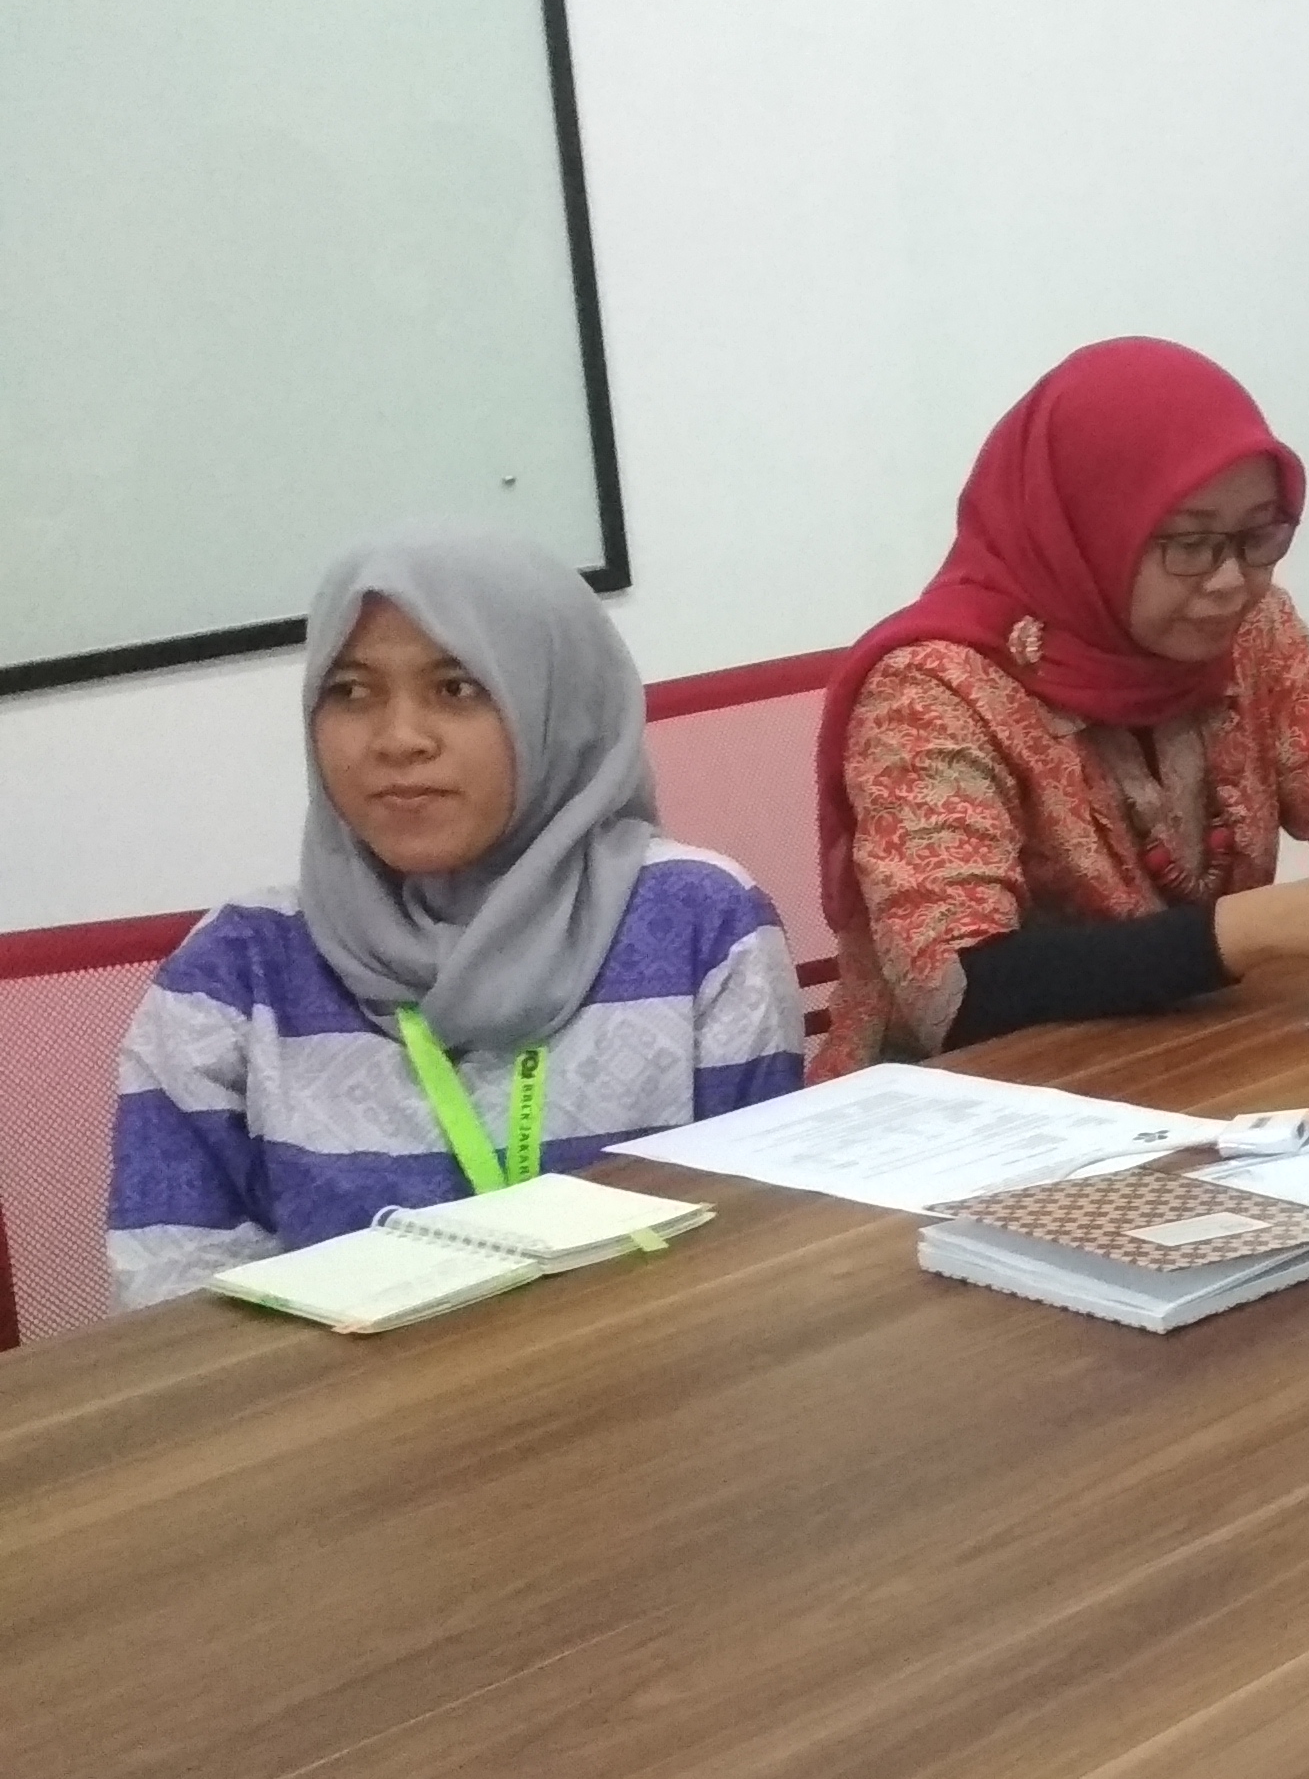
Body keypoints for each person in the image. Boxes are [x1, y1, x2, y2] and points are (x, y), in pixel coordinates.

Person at [818, 338, 1309, 1077]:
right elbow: (958, 989)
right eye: (1188, 545)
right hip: (947, 1111)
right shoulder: (934, 689)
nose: (1229, 582)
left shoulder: (1254, 633)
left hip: (1180, 1066)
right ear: (1089, 529)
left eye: (1259, 536)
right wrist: (1253, 929)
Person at [105, 532, 806, 1308]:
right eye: (351, 692)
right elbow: (173, 1307)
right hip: (346, 1384)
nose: (398, 739)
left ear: (559, 709)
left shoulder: (699, 927)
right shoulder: (233, 975)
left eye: (457, 688)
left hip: (656, 1370)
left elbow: (761, 1255)